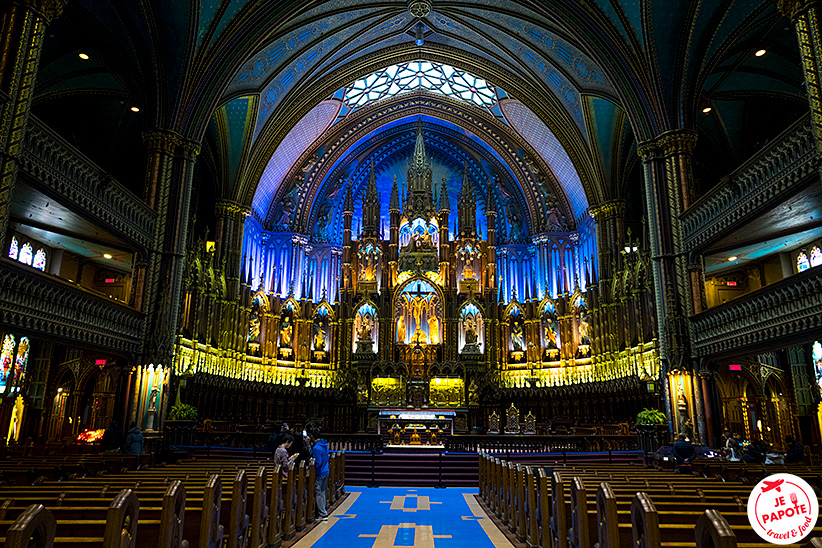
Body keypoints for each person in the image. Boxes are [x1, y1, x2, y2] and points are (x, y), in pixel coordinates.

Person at [310, 428, 330, 521]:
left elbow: (317, 462)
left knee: (319, 493)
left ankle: (323, 513)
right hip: (326, 470)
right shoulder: (324, 445)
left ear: (312, 437)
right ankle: (323, 511)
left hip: (320, 472)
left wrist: (310, 467)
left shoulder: (316, 448)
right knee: (322, 492)